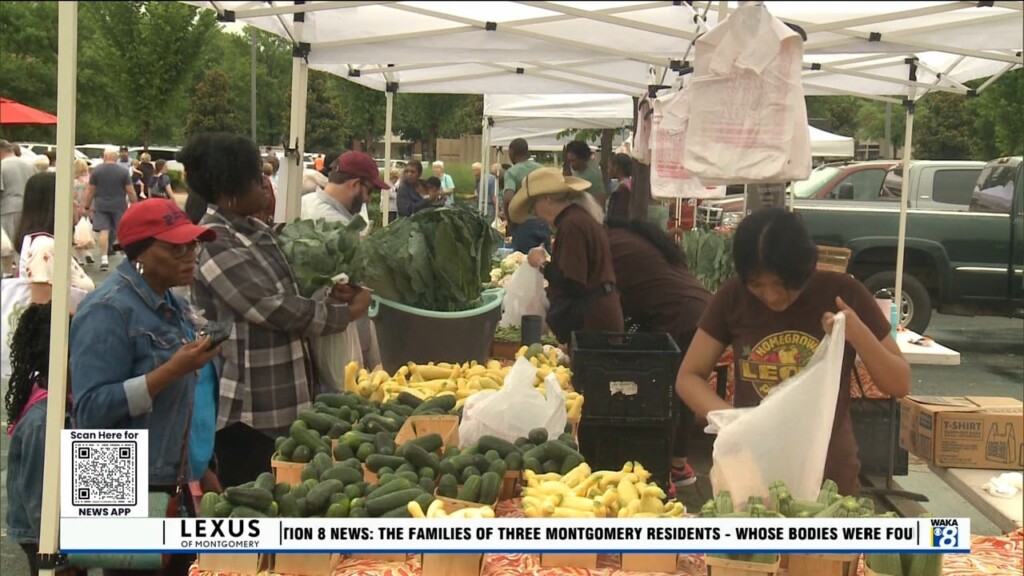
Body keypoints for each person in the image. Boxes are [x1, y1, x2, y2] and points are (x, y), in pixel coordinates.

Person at [675, 208, 911, 496]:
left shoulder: (843, 293)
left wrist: (858, 333)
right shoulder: (733, 297)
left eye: (783, 284)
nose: (772, 295)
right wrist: (736, 423)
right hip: (751, 471)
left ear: (805, 269)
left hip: (828, 477)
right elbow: (689, 377)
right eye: (757, 285)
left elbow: (899, 383)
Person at [182, 132, 371, 487]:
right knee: (254, 504)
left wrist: (338, 290)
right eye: (257, 178)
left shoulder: (256, 230)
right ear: (231, 187)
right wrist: (345, 315)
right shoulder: (213, 240)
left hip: (289, 401)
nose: (265, 186)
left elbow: (294, 289)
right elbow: (272, 307)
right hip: (250, 411)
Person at [70, 199, 223, 576]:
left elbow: (183, 403)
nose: (190, 256)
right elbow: (89, 410)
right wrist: (170, 371)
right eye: (176, 248)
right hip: (121, 479)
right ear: (139, 252)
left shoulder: (171, 302)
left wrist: (201, 469)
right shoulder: (107, 310)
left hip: (169, 479)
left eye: (193, 246)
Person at [606, 218, 711, 493]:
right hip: (698, 309)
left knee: (663, 390)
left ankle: (661, 474)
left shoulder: (608, 244)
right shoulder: (630, 238)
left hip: (679, 314)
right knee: (683, 387)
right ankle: (678, 466)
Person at [5, 303, 83, 576]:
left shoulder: (58, 401)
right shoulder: (45, 422)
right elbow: (40, 497)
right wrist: (58, 552)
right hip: (46, 537)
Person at [512, 168, 624, 343]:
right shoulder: (579, 219)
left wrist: (542, 264)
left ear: (547, 198)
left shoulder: (572, 225)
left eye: (535, 207)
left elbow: (573, 284)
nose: (538, 215)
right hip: (600, 318)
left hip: (593, 325)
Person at [300, 151, 390, 369]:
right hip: (336, 329)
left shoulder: (305, 202)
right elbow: (363, 282)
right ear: (355, 184)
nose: (368, 199)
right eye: (369, 191)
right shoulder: (339, 225)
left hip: (312, 326)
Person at [14, 172, 95, 306]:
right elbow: (43, 307)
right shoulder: (44, 246)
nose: (76, 205)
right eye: (72, 199)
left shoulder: (44, 243)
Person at [83, 147, 138, 272]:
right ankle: (129, 257)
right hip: (119, 205)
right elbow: (130, 190)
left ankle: (104, 260)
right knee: (122, 230)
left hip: (101, 204)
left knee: (104, 230)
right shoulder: (123, 171)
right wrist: (135, 204)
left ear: (104, 157)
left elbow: (90, 190)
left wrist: (86, 206)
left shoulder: (97, 171)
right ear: (116, 158)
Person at [501, 138, 551, 253]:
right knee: (545, 261)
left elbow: (508, 198)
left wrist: (510, 222)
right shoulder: (542, 170)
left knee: (523, 263)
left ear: (512, 152)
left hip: (522, 224)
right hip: (543, 222)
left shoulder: (512, 172)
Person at [1, 139, 38, 245]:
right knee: (23, 244)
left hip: (7, 209)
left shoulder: (2, 165)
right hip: (28, 208)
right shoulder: (30, 165)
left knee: (7, 245)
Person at [565, 140, 607, 208]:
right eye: (569, 161)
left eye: (573, 161)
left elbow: (601, 199)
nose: (571, 164)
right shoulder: (574, 167)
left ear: (583, 158)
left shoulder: (594, 174)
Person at [606, 153, 633, 221]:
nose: (608, 170)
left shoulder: (622, 189)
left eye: (609, 167)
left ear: (616, 167)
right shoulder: (630, 184)